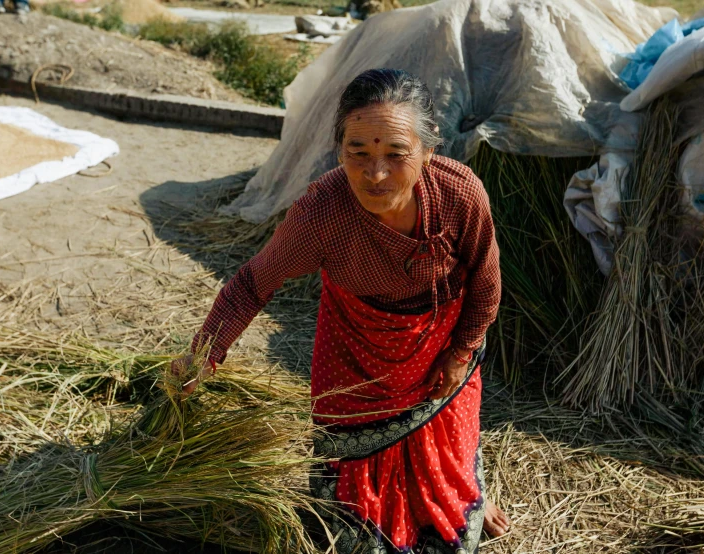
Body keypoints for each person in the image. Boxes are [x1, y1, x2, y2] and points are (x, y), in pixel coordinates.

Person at [174, 68, 510, 552]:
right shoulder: (322, 214)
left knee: (449, 457)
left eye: (396, 155)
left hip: (440, 351)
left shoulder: (460, 195)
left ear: (429, 151)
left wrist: (461, 352)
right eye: (359, 153)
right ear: (339, 151)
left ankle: (461, 493)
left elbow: (485, 280)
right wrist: (203, 355)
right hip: (354, 359)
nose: (375, 174)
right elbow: (252, 283)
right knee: (355, 517)